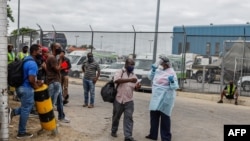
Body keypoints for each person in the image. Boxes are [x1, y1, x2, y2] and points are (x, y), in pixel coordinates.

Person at [9, 44, 43, 139]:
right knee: (26, 109)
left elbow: (28, 76)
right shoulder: (32, 63)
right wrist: (36, 87)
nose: (41, 53)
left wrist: (36, 82)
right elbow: (31, 79)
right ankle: (21, 133)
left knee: (27, 107)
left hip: (20, 87)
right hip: (26, 88)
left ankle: (13, 112)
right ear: (34, 51)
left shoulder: (26, 59)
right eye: (40, 51)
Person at [146, 55, 179, 141]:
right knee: (154, 117)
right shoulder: (158, 71)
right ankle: (153, 134)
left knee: (165, 118)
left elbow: (175, 86)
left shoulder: (171, 72)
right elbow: (150, 76)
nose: (161, 65)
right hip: (156, 97)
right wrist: (153, 70)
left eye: (163, 63)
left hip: (165, 98)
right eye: (161, 63)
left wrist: (172, 81)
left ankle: (166, 137)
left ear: (167, 64)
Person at [111, 58, 141, 141]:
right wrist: (130, 80)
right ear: (126, 64)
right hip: (119, 99)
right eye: (131, 64)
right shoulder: (120, 72)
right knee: (116, 117)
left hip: (129, 101)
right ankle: (114, 130)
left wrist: (138, 87)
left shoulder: (134, 75)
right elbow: (116, 80)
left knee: (129, 118)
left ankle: (128, 136)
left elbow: (135, 87)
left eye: (133, 65)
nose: (132, 66)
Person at [46, 42, 70, 123]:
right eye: (58, 47)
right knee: (52, 102)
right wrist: (61, 59)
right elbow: (57, 69)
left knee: (59, 101)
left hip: (56, 82)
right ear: (54, 48)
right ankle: (49, 119)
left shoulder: (54, 57)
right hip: (54, 82)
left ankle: (61, 116)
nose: (60, 48)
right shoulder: (52, 58)